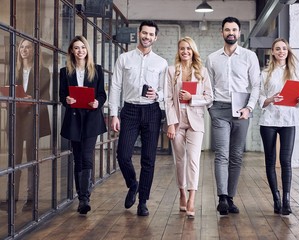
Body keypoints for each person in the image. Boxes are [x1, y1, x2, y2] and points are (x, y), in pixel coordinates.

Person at [109, 20, 168, 217]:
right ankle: (133, 184)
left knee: (148, 159)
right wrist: (114, 114)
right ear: (139, 33)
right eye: (145, 33)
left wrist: (157, 96)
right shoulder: (124, 59)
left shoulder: (161, 63)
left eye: (151, 34)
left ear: (155, 38)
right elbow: (116, 86)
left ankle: (143, 202)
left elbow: (164, 91)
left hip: (151, 111)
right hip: (130, 111)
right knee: (123, 155)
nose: (147, 37)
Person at [206, 16, 260, 215]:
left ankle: (230, 197)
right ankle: (221, 198)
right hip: (219, 109)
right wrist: (211, 107)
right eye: (227, 29)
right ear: (222, 32)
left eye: (234, 30)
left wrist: (250, 108)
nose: (231, 33)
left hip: (242, 110)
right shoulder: (212, 58)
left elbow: (256, 85)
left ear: (239, 33)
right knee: (222, 154)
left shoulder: (249, 56)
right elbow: (208, 86)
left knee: (236, 155)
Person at [164, 37, 213, 218]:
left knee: (193, 159)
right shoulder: (171, 71)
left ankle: (192, 196)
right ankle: (182, 193)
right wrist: (171, 123)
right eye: (182, 49)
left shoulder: (202, 72)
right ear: (178, 51)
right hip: (177, 121)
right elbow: (168, 99)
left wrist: (192, 98)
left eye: (188, 49)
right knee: (180, 160)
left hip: (195, 121)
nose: (185, 52)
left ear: (193, 52)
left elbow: (209, 97)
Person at [0, 39, 51, 213]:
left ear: (34, 50)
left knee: (31, 160)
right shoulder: (14, 71)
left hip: (32, 121)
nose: (24, 50)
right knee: (14, 160)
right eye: (21, 47)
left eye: (28, 47)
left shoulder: (43, 72)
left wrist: (33, 101)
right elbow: (7, 93)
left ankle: (31, 199)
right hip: (16, 120)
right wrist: (5, 101)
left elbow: (45, 99)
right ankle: (10, 199)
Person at [59, 35, 107, 215]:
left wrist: (98, 102)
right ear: (72, 50)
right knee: (77, 157)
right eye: (77, 48)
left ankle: (84, 198)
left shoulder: (97, 70)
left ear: (87, 50)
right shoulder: (65, 72)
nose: (80, 51)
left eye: (83, 48)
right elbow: (62, 95)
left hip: (91, 118)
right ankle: (81, 196)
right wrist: (67, 100)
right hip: (73, 119)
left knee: (87, 156)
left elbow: (102, 94)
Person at [258, 38, 299, 215]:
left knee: (286, 161)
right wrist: (270, 99)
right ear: (273, 52)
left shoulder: (295, 72)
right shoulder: (264, 73)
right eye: (278, 49)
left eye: (284, 48)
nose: (281, 51)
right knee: (270, 161)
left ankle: (286, 200)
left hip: (288, 121)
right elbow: (260, 97)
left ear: (287, 51)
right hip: (268, 120)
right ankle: (276, 199)